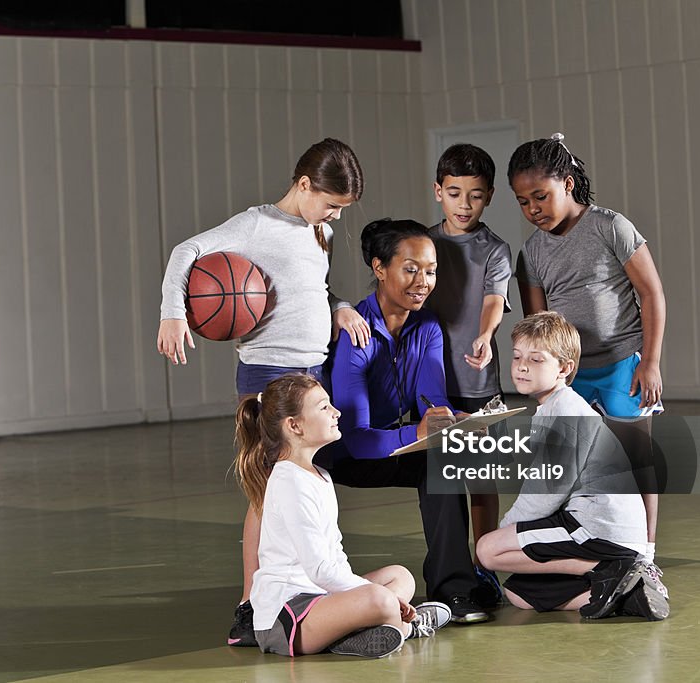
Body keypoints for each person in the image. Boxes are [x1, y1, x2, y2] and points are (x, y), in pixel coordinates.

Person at [157, 138, 373, 647]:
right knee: (265, 494)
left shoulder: (318, 230)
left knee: (303, 489)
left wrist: (339, 305)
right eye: (332, 204)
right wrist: (172, 312)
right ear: (304, 185)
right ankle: (250, 605)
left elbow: (310, 286)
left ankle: (299, 595)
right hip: (268, 374)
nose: (336, 217)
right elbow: (184, 251)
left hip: (311, 370)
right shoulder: (256, 225)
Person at [509, 133, 669, 599]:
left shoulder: (610, 227)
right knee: (574, 469)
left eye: (541, 196)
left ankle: (645, 557)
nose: (533, 208)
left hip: (623, 365)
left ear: (569, 183)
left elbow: (651, 293)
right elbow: (537, 325)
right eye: (523, 202)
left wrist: (652, 362)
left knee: (636, 462)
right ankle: (594, 557)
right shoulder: (532, 253)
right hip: (569, 378)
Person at [318, 218, 490, 624]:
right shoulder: (355, 332)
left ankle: (455, 590)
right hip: (343, 453)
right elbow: (356, 439)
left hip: (395, 445)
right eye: (410, 269)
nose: (423, 281)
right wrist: (419, 431)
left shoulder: (428, 326)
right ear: (379, 268)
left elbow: (432, 401)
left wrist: (459, 421)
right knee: (427, 449)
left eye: (430, 271)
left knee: (442, 462)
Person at [235, 373, 452, 657]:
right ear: (294, 425)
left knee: (400, 577)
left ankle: (365, 630)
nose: (336, 412)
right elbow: (320, 570)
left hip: (323, 599)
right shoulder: (289, 483)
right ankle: (406, 627)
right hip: (288, 617)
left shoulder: (319, 475)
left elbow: (334, 558)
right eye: (324, 407)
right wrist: (376, 596)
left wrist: (359, 595)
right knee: (381, 599)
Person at [475, 312, 669, 620]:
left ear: (564, 368)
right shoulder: (552, 406)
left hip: (599, 528)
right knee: (520, 593)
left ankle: (616, 569)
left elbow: (546, 492)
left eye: (537, 360)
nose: (523, 366)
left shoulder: (567, 410)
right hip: (594, 528)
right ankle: (627, 595)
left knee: (488, 550)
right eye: (517, 357)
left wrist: (506, 529)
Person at [426, 143, 512, 608]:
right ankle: (453, 570)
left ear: (489, 196)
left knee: (480, 481)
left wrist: (484, 335)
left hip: (478, 386)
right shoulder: (421, 244)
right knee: (440, 485)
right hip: (432, 387)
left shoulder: (494, 249)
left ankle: (486, 566)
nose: (464, 205)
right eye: (454, 193)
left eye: (475, 195)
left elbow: (493, 300)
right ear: (438, 191)